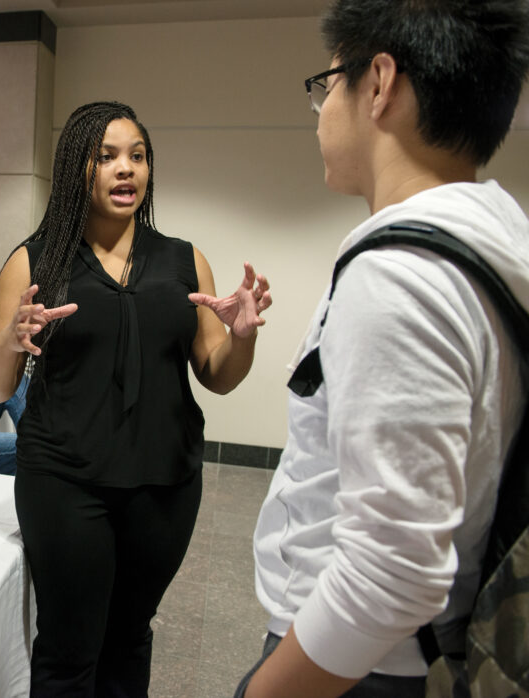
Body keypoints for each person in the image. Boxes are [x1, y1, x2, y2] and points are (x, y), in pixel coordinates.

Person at [234, 3, 529, 697]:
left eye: (326, 84)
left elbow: (392, 570)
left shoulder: (400, 272)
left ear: (379, 82)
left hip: (365, 666)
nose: (320, 110)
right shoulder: (496, 239)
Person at [0, 101, 271, 696]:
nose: (125, 169)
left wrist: (241, 338)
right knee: (69, 645)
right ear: (75, 170)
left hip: (164, 485)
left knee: (130, 635)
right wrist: (11, 339)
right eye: (106, 156)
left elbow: (218, 372)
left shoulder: (185, 260)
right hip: (64, 482)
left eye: (137, 156)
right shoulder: (34, 261)